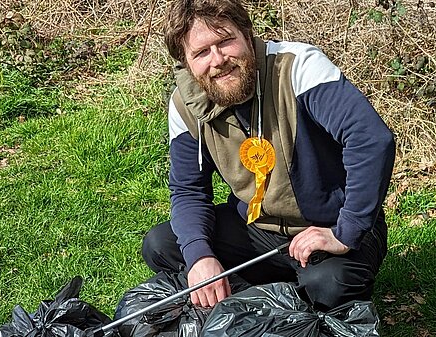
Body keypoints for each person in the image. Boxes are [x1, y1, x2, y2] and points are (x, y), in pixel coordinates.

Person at [142, 0, 395, 311]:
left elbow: (370, 139)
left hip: (329, 228)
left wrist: (347, 230)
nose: (218, 60)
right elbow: (189, 190)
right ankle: (265, 303)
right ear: (186, 62)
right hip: (258, 230)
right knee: (162, 245)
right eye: (201, 53)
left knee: (328, 285)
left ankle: (295, 295)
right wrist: (201, 257)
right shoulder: (185, 104)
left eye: (225, 41)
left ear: (247, 35)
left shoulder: (299, 67)